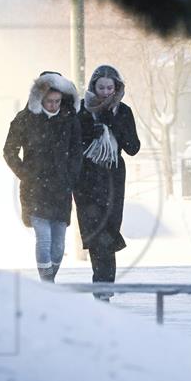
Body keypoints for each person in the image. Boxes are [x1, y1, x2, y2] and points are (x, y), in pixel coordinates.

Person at [3, 71, 82, 283]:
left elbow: (77, 152)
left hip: (61, 189)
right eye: (49, 101)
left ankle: (50, 279)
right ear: (39, 98)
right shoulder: (25, 119)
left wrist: (70, 176)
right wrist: (25, 174)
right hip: (34, 189)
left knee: (59, 245)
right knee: (44, 240)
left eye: (57, 101)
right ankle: (47, 283)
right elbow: (9, 150)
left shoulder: (70, 120)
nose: (53, 105)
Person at [73, 65, 140, 300]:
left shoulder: (123, 111)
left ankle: (104, 286)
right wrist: (92, 130)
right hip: (87, 178)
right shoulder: (82, 109)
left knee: (109, 232)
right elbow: (75, 141)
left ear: (117, 88)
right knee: (94, 233)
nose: (105, 92)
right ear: (93, 87)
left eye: (109, 87)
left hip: (112, 177)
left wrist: (113, 124)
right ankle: (101, 287)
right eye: (100, 87)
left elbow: (133, 148)